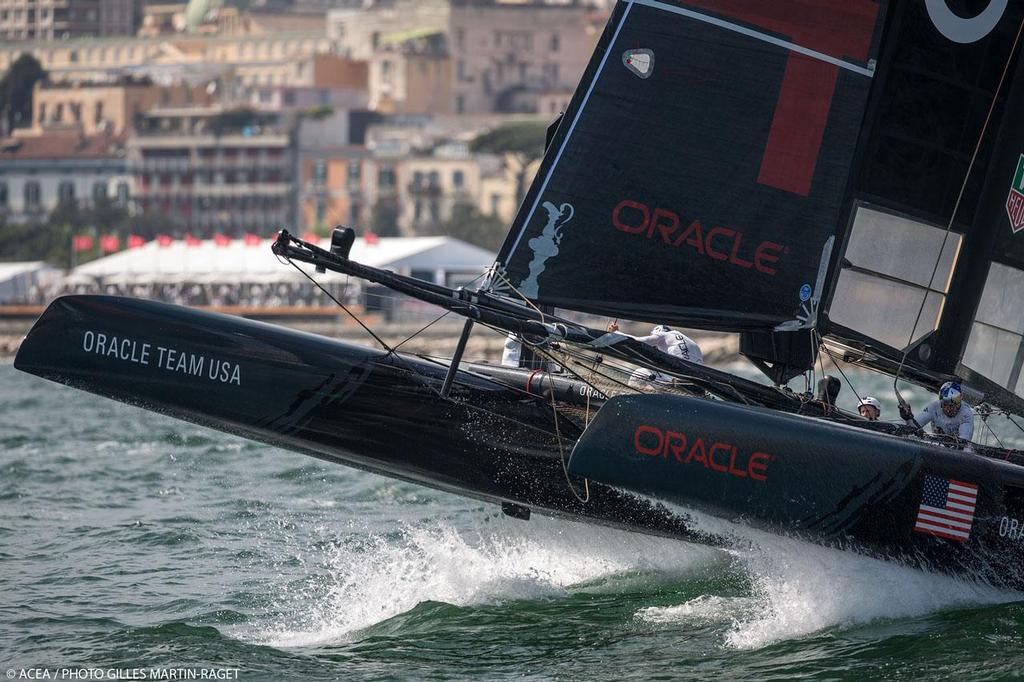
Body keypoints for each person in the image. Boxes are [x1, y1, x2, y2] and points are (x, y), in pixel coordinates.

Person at [899, 381, 974, 444]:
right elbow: (913, 428)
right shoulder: (934, 407)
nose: (950, 410)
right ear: (941, 402)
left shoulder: (966, 413)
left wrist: (946, 438)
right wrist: (908, 418)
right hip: (936, 446)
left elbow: (964, 443)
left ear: (960, 401)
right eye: (946, 405)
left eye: (953, 406)